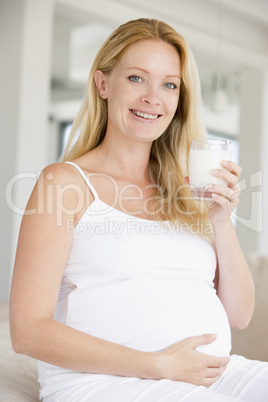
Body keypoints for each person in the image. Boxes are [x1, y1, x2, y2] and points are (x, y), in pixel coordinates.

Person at [9, 18, 268, 402]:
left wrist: (220, 219)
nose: (153, 97)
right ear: (102, 84)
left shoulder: (184, 187)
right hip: (104, 382)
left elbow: (239, 315)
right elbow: (27, 329)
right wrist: (158, 365)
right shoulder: (64, 183)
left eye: (169, 85)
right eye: (136, 78)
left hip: (213, 373)